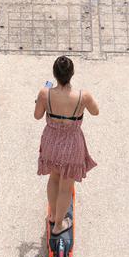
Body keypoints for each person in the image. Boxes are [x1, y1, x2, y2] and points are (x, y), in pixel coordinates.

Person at [34, 56, 98, 236]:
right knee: (65, 186)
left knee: (53, 178)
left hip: (51, 142)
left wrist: (43, 93)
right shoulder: (82, 96)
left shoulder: (44, 93)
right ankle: (58, 225)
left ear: (54, 74)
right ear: (72, 74)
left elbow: (38, 115)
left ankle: (53, 215)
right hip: (71, 144)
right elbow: (96, 111)